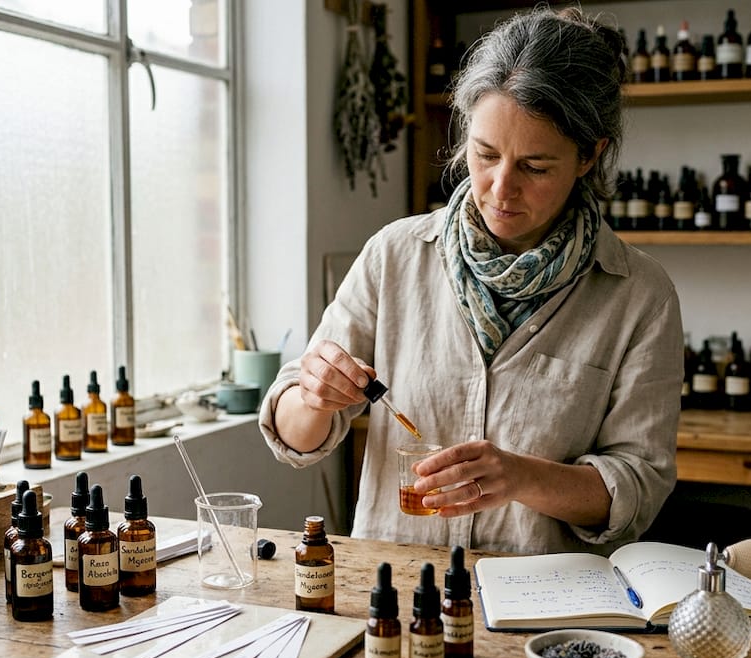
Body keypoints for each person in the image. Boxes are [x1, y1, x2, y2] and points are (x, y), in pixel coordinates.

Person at [259, 7, 682, 555]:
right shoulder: (394, 256)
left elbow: (637, 488)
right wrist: (313, 398)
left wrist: (522, 477)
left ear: (589, 155)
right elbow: (295, 438)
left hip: (543, 610)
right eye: (485, 155)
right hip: (397, 587)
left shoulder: (638, 295)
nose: (501, 190)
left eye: (534, 167)